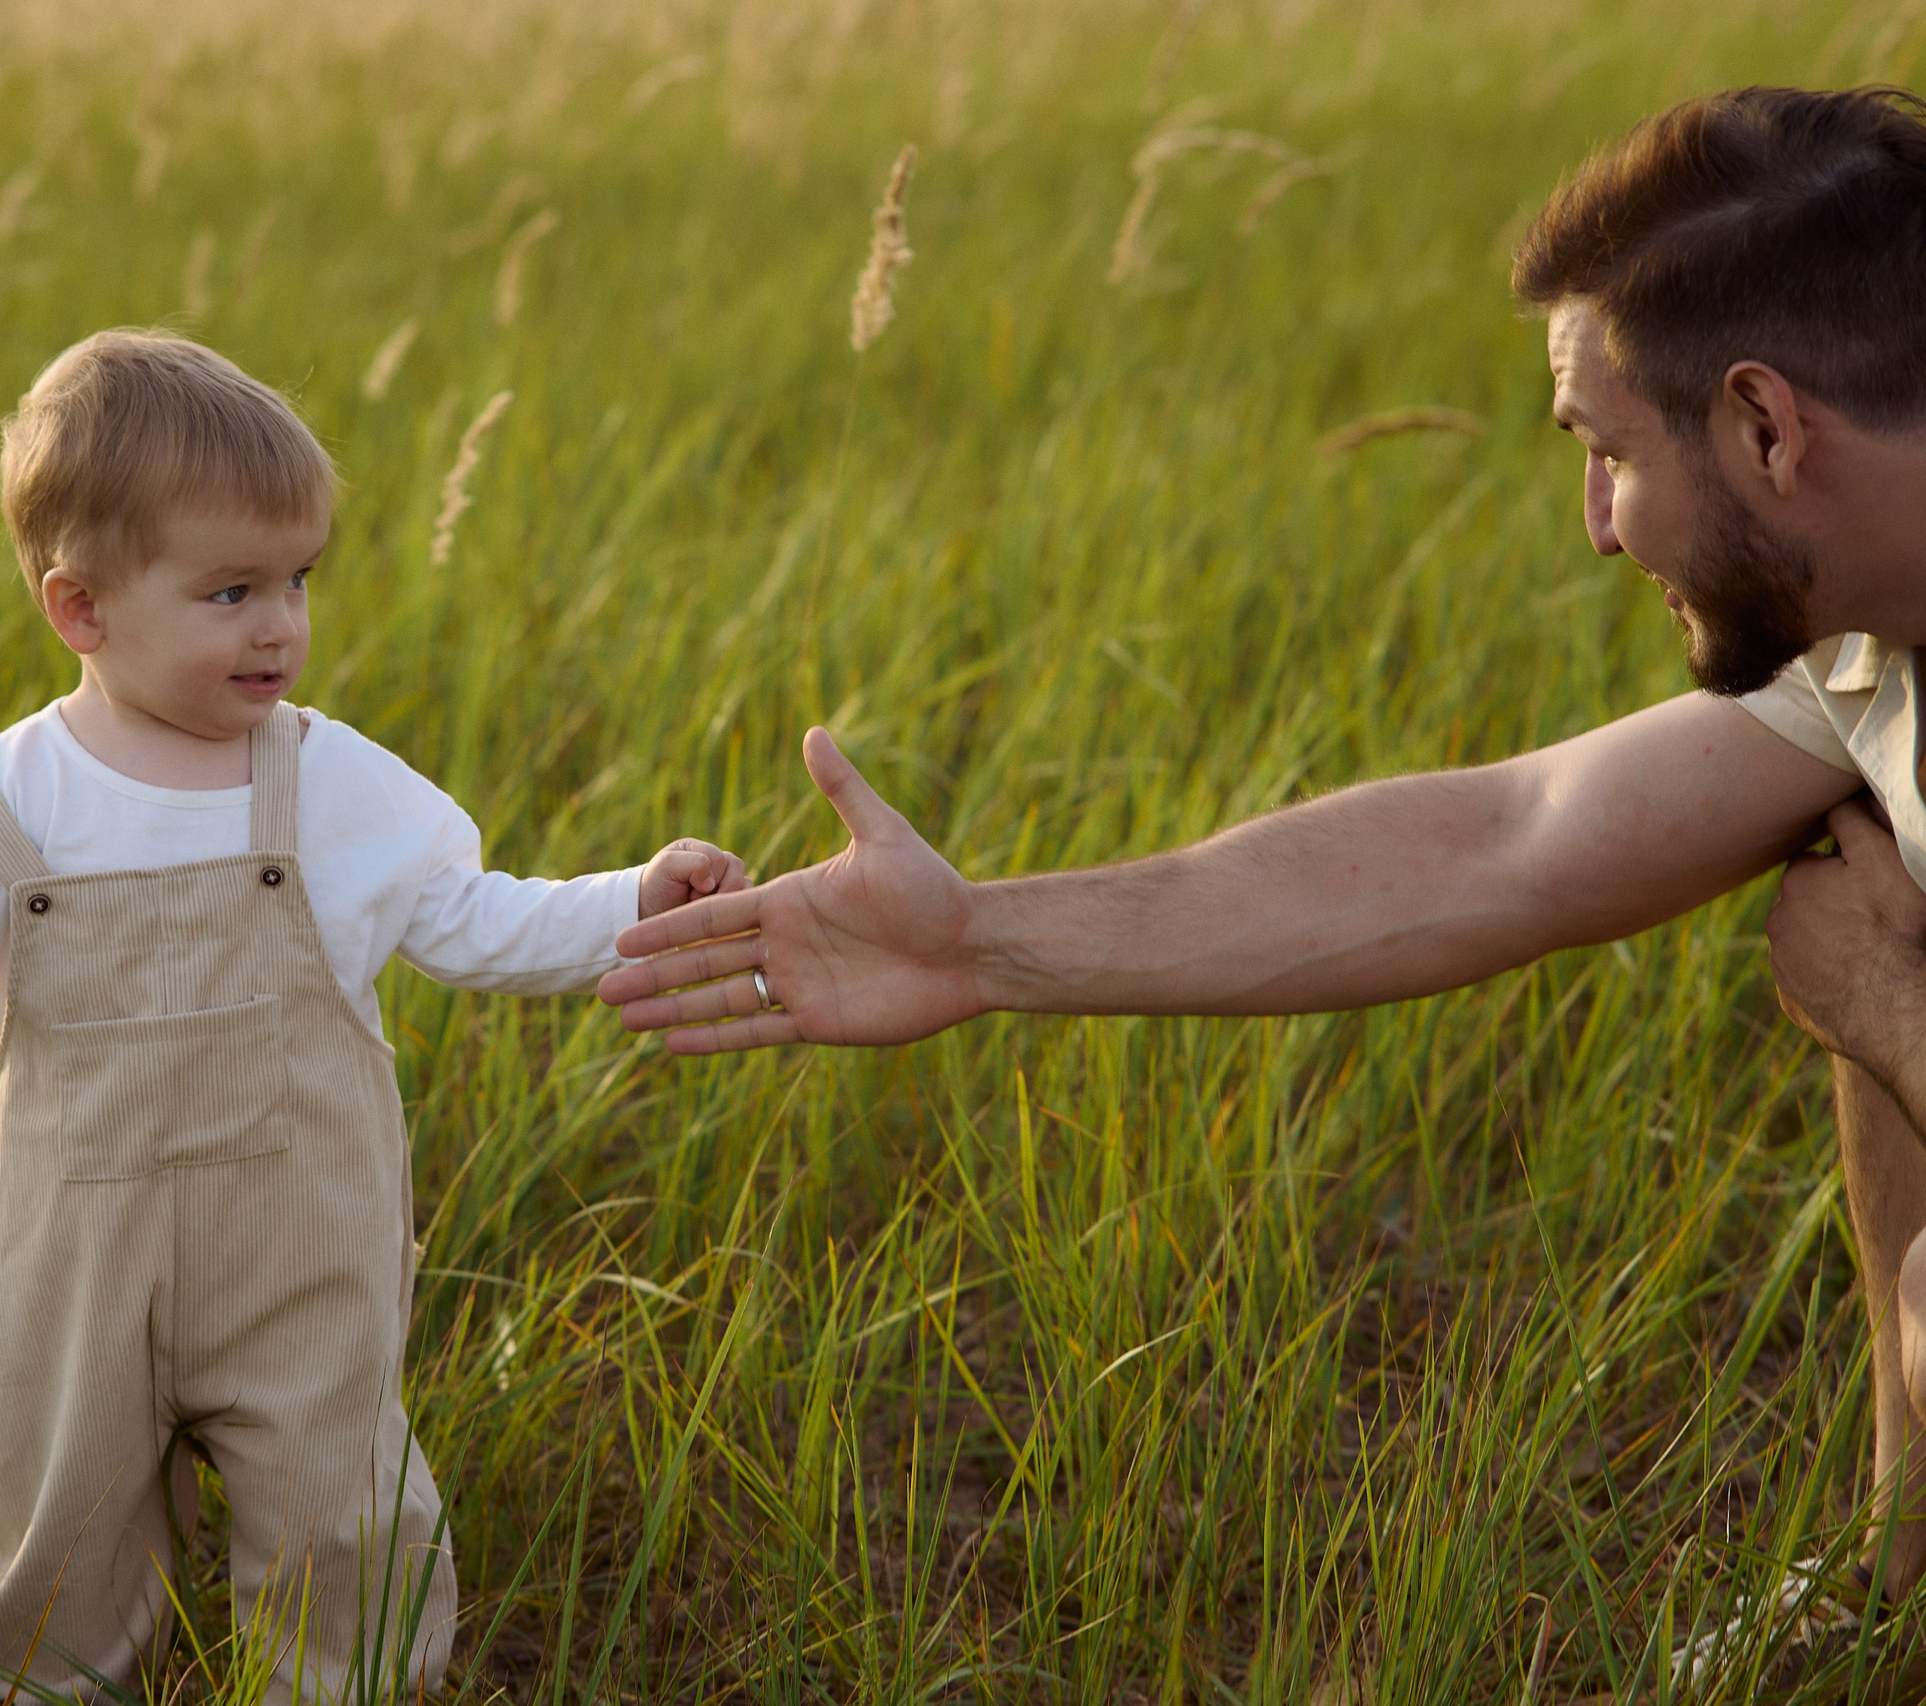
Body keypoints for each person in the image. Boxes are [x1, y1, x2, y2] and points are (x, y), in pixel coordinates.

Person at [600, 85, 1926, 1601]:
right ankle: (1893, 1575)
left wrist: (1882, 997)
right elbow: (1500, 841)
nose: (1598, 528)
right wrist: (975, 940)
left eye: (1608, 453)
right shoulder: (1864, 640)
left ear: (1765, 426)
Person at [0, 330, 747, 1701]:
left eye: (298, 580)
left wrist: (635, 897)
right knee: (58, 1524)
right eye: (231, 590)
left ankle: (343, 1682)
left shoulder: (327, 780)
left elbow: (470, 916)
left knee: (342, 1511)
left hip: (301, 1252)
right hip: (81, 1265)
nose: (280, 626)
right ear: (82, 609)